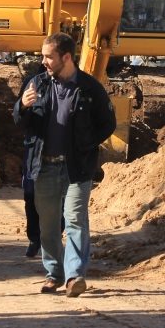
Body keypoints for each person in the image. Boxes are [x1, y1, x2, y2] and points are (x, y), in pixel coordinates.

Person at [14, 32, 116, 298]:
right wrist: (22, 107)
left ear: (66, 57)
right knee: (48, 225)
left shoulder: (90, 88)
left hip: (77, 167)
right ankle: (53, 274)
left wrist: (85, 145)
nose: (43, 61)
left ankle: (74, 276)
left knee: (74, 220)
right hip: (43, 166)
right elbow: (20, 122)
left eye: (48, 56)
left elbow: (108, 123)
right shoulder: (36, 83)